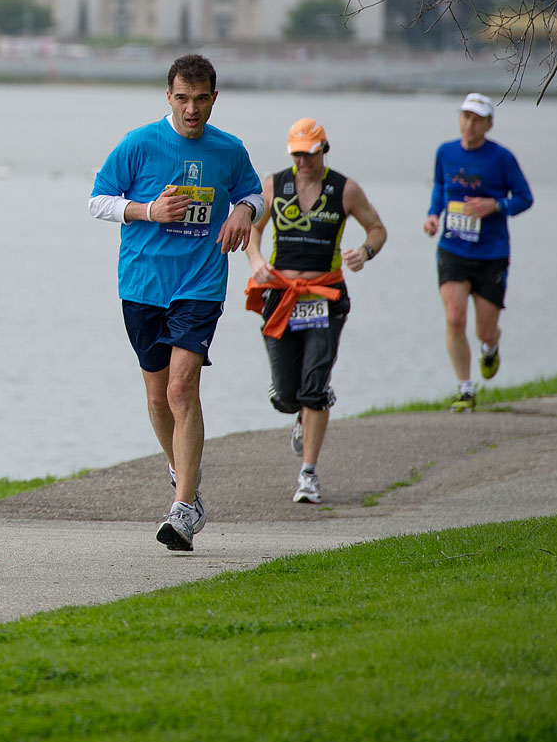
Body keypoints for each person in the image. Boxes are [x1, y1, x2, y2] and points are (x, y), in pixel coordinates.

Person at [89, 53, 263, 552]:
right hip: (142, 284)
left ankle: (184, 509)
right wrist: (147, 209)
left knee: (182, 390)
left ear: (214, 98)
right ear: (169, 97)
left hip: (200, 284)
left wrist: (244, 212)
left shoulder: (229, 150)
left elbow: (254, 192)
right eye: (182, 99)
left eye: (201, 99)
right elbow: (97, 200)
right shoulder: (139, 143)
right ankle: (182, 471)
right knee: (157, 396)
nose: (192, 109)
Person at [244, 119, 387, 504]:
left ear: (324, 149)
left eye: (309, 153)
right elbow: (253, 231)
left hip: (326, 296)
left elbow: (377, 229)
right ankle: (301, 413)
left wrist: (365, 252)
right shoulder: (275, 185)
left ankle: (308, 474)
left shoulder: (345, 189)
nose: (303, 160)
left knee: (315, 388)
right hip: (282, 295)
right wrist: (255, 259)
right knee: (288, 394)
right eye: (296, 154)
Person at [423, 92, 533, 411]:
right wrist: (433, 215)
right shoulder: (445, 152)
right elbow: (441, 189)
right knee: (454, 316)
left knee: (485, 329)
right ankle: (465, 389)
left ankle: (490, 347)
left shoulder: (501, 158)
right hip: (453, 248)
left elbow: (525, 198)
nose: (469, 124)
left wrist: (496, 205)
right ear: (459, 119)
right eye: (465, 117)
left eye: (477, 119)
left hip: (491, 253)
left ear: (489, 124)